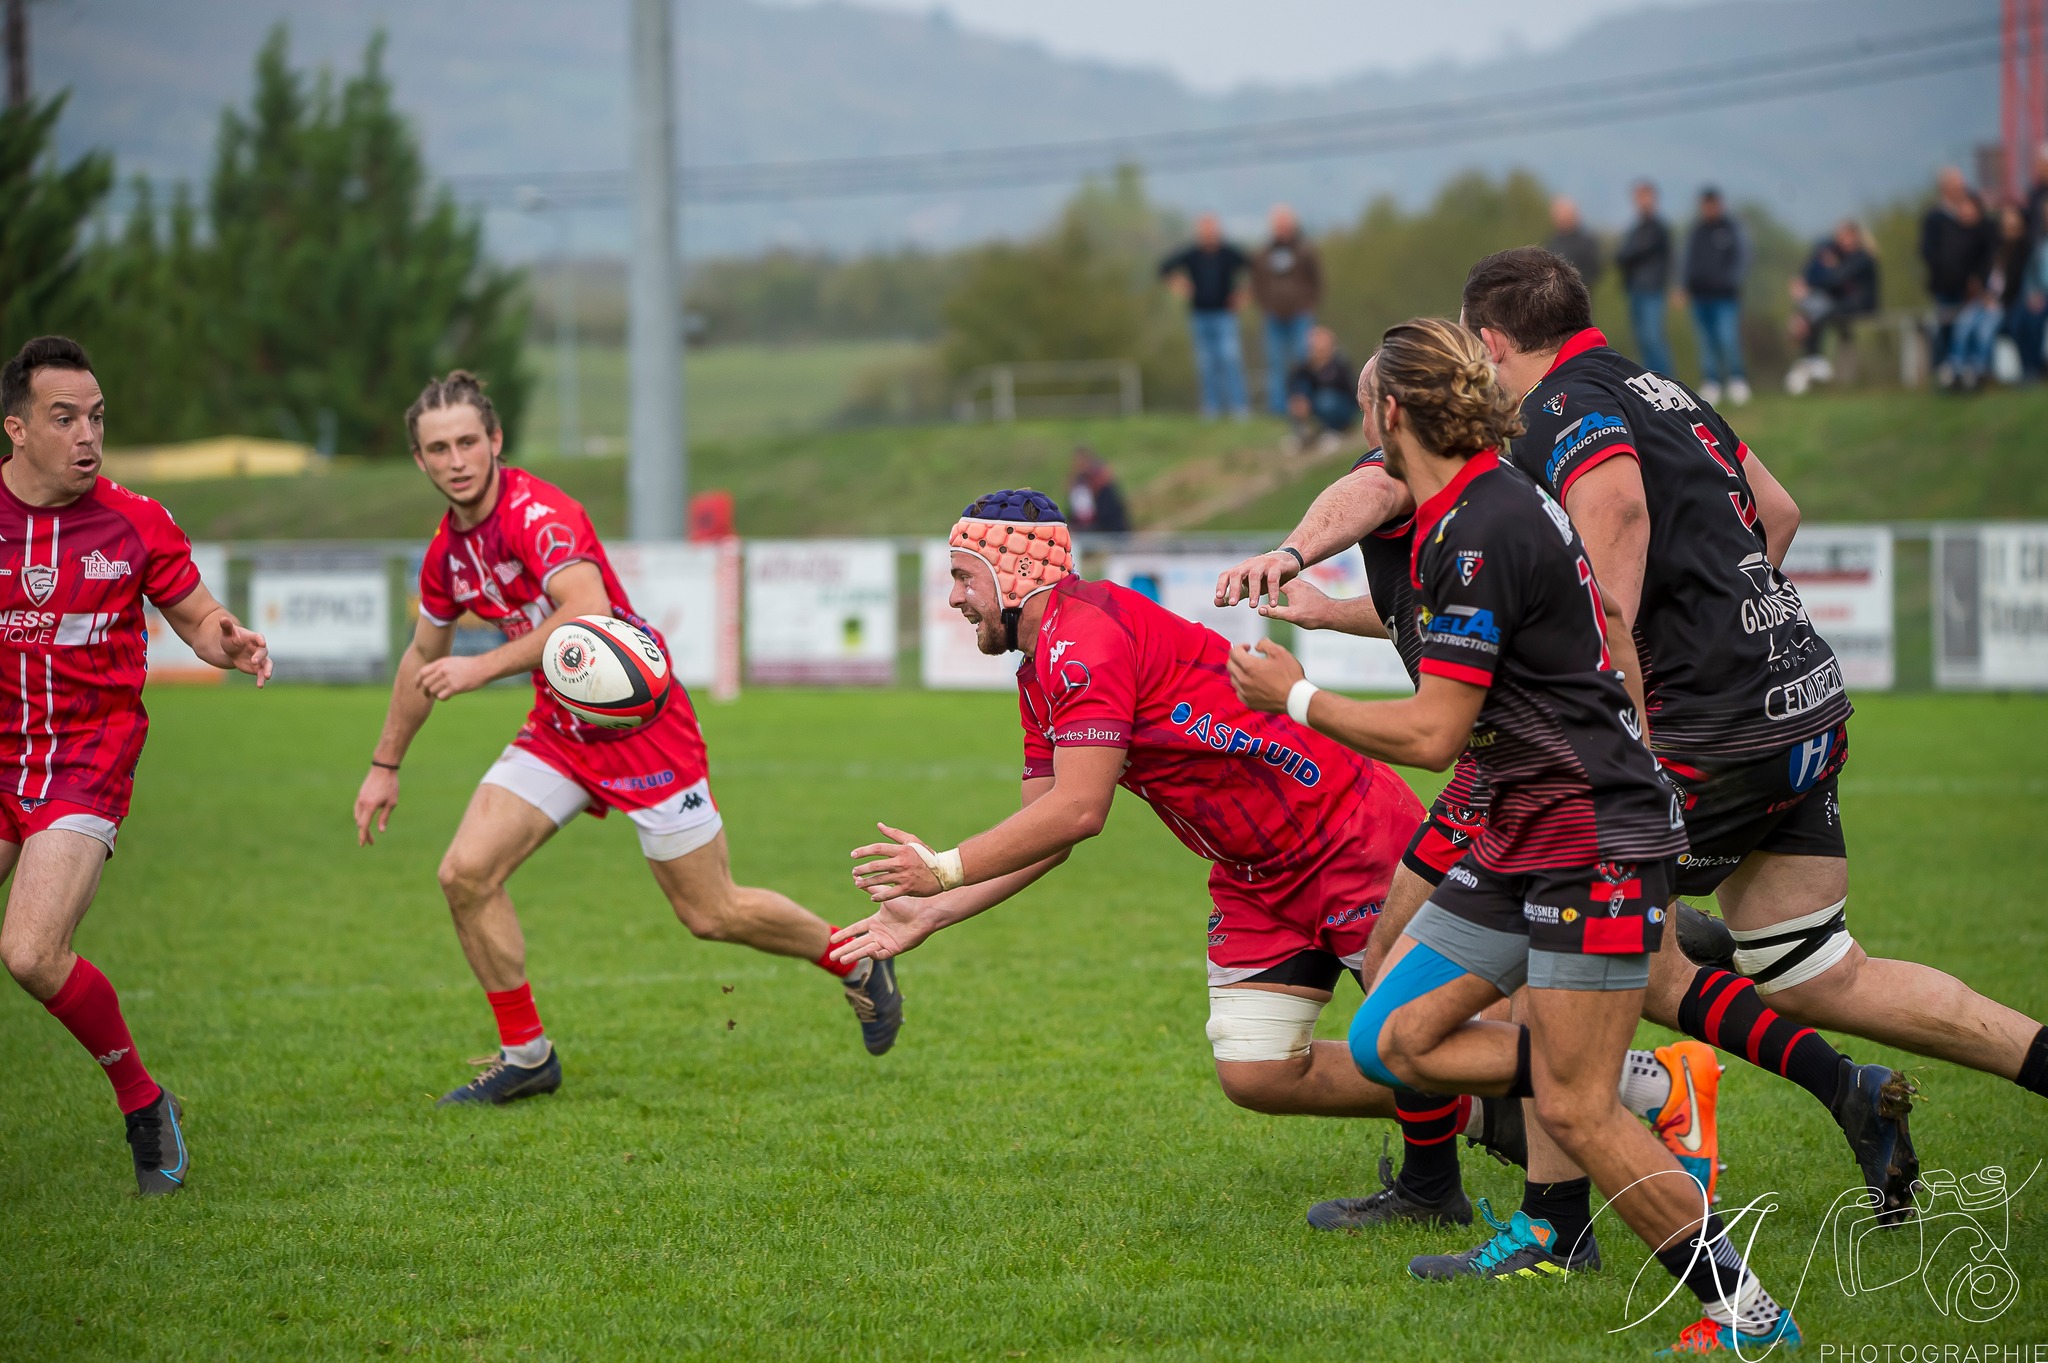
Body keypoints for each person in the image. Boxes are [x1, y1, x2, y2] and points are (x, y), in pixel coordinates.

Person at [1228, 318, 1802, 1354]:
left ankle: (1746, 1314)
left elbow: (1431, 731)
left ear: (1389, 412)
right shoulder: (1463, 509)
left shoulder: (1485, 522)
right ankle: (1635, 1077)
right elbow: (1591, 647)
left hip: (1585, 839)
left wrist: (1295, 696)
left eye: (1368, 416)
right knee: (1391, 1037)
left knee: (1577, 1113)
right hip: (1519, 833)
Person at [1463, 246, 2048, 1200]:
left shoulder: (1558, 403)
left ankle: (1552, 1228)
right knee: (1819, 970)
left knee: (1562, 922)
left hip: (1712, 732)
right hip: (1798, 703)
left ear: (1494, 343)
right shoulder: (1665, 387)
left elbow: (1613, 508)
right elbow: (1778, 509)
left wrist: (1625, 696)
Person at [828, 490, 1524, 1154]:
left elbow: (1079, 810)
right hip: (1256, 871)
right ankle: (1483, 1116)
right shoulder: (1040, 668)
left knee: (1432, 1029)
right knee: (1258, 1069)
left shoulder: (1084, 640)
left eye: (962, 576)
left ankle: (1586, 1099)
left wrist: (944, 866)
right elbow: (1045, 829)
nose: (952, 597)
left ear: (1012, 573)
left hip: (1341, 829)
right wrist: (934, 910)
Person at [352, 371, 903, 1105]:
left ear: (495, 442)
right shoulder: (446, 555)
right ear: (419, 461)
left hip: (642, 729)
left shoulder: (539, 514)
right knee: (465, 873)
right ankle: (526, 1057)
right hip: (559, 729)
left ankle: (856, 960)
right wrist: (385, 763)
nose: (455, 459)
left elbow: (585, 610)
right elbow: (422, 657)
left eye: (466, 442)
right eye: (437, 448)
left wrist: (482, 665)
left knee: (711, 913)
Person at [0, 336, 274, 1196]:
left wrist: (224, 638)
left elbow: (196, 616)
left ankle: (143, 1101)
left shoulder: (132, 520)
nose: (89, 434)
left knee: (34, 952)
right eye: (65, 417)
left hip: (87, 755)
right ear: (15, 428)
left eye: (98, 416)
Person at [1159, 214, 1251, 420]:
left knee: (1230, 359)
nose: (1208, 235)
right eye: (1204, 231)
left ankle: (1239, 408)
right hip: (1199, 316)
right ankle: (1211, 409)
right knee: (1206, 364)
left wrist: (1244, 295)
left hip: (1225, 316)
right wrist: (1180, 286)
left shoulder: (1229, 254)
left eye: (1212, 230)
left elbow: (1255, 268)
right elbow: (1164, 268)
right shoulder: (1192, 254)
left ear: (1218, 231)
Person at [1919, 167, 1997, 388]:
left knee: (1970, 329)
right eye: (1955, 187)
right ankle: (1949, 372)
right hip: (1946, 286)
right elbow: (1929, 252)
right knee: (1946, 329)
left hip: (1972, 288)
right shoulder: (1935, 218)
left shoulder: (1977, 222)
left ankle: (1973, 371)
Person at [1785, 219, 1880, 395]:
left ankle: (1813, 356)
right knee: (1817, 307)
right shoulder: (1836, 253)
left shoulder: (1862, 257)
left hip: (1861, 305)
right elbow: (1816, 270)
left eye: (1844, 236)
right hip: (1843, 303)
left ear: (1854, 236)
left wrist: (1809, 285)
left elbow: (1836, 279)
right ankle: (1813, 357)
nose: (1840, 241)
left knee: (1820, 310)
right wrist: (1804, 283)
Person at [1251, 204, 1323, 416]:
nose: (1281, 229)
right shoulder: (1263, 253)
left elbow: (1316, 279)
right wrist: (1265, 305)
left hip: (1300, 314)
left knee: (1304, 359)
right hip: (1273, 316)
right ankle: (1279, 408)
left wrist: (1309, 303)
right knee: (1276, 363)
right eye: (1278, 225)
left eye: (1285, 224)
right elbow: (1257, 282)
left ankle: (1305, 404)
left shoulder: (1304, 250)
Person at [1683, 187, 1750, 405]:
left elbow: (1741, 259)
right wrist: (1684, 285)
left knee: (1727, 338)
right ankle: (1711, 382)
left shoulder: (1731, 229)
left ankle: (1737, 379)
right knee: (1706, 341)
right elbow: (1687, 261)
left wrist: (1729, 282)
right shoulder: (1697, 231)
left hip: (1724, 296)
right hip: (1700, 296)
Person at [1942, 197, 2013, 392]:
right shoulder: (1986, 257)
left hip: (2002, 305)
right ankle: (1955, 369)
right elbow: (1979, 282)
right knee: (1963, 325)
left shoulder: (2017, 256)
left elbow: (2013, 287)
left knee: (1984, 330)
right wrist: (1984, 296)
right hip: (1982, 301)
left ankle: (1978, 370)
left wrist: (1996, 300)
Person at [1613, 180, 1674, 376]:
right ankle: (1651, 379)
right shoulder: (1636, 228)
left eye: (1644, 197)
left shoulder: (1657, 228)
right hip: (1635, 288)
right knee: (1642, 340)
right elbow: (1621, 256)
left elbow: (1632, 253)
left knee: (1653, 338)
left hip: (1652, 289)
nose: (1641, 202)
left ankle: (1666, 380)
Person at [1283, 324, 1357, 456]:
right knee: (1298, 397)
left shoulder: (1339, 365)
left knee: (1326, 399)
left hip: (1341, 408)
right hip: (1314, 406)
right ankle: (1303, 434)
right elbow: (1292, 382)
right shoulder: (1304, 366)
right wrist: (1299, 399)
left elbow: (1352, 392)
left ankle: (1333, 430)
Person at [1544, 195, 1603, 290]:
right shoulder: (1553, 241)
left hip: (1578, 294)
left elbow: (1594, 269)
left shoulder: (1586, 241)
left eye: (1561, 213)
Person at [1066, 447, 1130, 534]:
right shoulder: (1079, 484)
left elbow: (1109, 512)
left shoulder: (1101, 483)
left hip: (1108, 531)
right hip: (1088, 530)